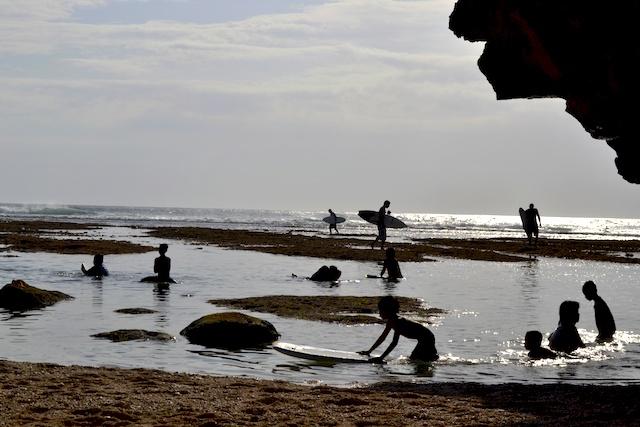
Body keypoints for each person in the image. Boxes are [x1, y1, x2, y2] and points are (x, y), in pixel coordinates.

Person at [359, 296, 438, 363]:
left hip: (427, 337)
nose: (379, 314)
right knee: (415, 359)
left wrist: (381, 358)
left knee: (415, 360)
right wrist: (369, 351)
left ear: (388, 311)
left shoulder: (397, 321)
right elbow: (382, 337)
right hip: (425, 337)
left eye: (380, 311)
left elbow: (394, 343)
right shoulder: (391, 321)